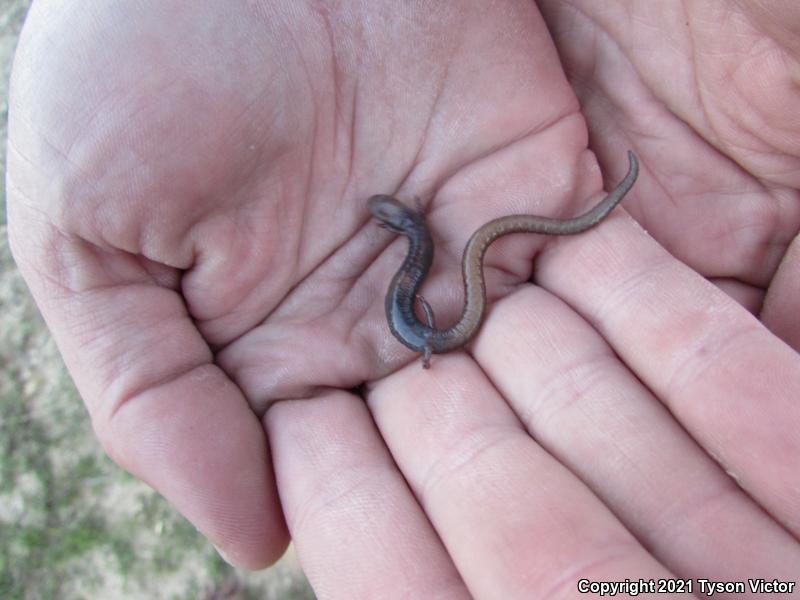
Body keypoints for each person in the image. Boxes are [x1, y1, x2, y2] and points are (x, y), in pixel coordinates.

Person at [7, 1, 800, 596]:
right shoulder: (412, 261)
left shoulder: (414, 264)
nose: (385, 222)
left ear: (401, 226)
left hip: (424, 328)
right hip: (424, 329)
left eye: (392, 221)